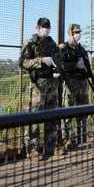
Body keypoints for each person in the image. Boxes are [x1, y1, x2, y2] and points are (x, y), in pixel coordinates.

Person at [19, 17, 60, 161]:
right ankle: (33, 150)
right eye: (44, 26)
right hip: (37, 85)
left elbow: (58, 58)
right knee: (34, 117)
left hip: (52, 83)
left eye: (48, 26)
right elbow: (22, 62)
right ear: (37, 27)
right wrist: (41, 61)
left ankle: (50, 147)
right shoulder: (30, 42)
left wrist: (57, 65)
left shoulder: (51, 42)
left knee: (52, 116)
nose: (46, 29)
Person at [59, 24, 92, 150]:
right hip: (71, 84)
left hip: (82, 83)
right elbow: (61, 66)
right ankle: (67, 138)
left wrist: (86, 67)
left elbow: (87, 66)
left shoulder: (81, 49)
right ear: (70, 33)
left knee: (83, 111)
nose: (78, 34)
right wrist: (75, 65)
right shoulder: (63, 48)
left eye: (79, 32)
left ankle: (81, 136)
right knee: (68, 113)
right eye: (75, 32)